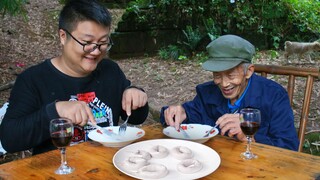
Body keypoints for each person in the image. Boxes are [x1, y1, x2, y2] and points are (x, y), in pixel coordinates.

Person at [0, 0, 149, 155]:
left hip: (107, 166)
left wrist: (135, 95)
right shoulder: (33, 80)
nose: (96, 51)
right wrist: (55, 111)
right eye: (87, 42)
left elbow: (135, 118)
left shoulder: (110, 71)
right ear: (63, 36)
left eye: (103, 42)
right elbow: (10, 139)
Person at [160, 34, 299, 151]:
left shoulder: (274, 96)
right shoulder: (208, 92)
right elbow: (189, 116)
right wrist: (179, 113)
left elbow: (290, 148)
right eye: (217, 75)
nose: (224, 84)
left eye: (231, 75)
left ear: (249, 71)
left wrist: (248, 136)